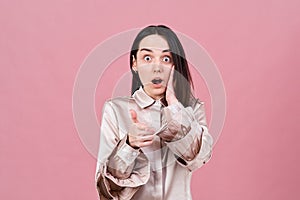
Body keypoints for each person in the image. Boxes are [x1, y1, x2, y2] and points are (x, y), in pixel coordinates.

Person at [95, 25, 213, 200]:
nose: (156, 68)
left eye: (166, 59)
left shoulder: (192, 108)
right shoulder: (116, 109)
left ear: (175, 65)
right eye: (147, 57)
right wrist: (129, 145)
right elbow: (106, 188)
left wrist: (175, 110)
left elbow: (196, 159)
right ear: (134, 63)